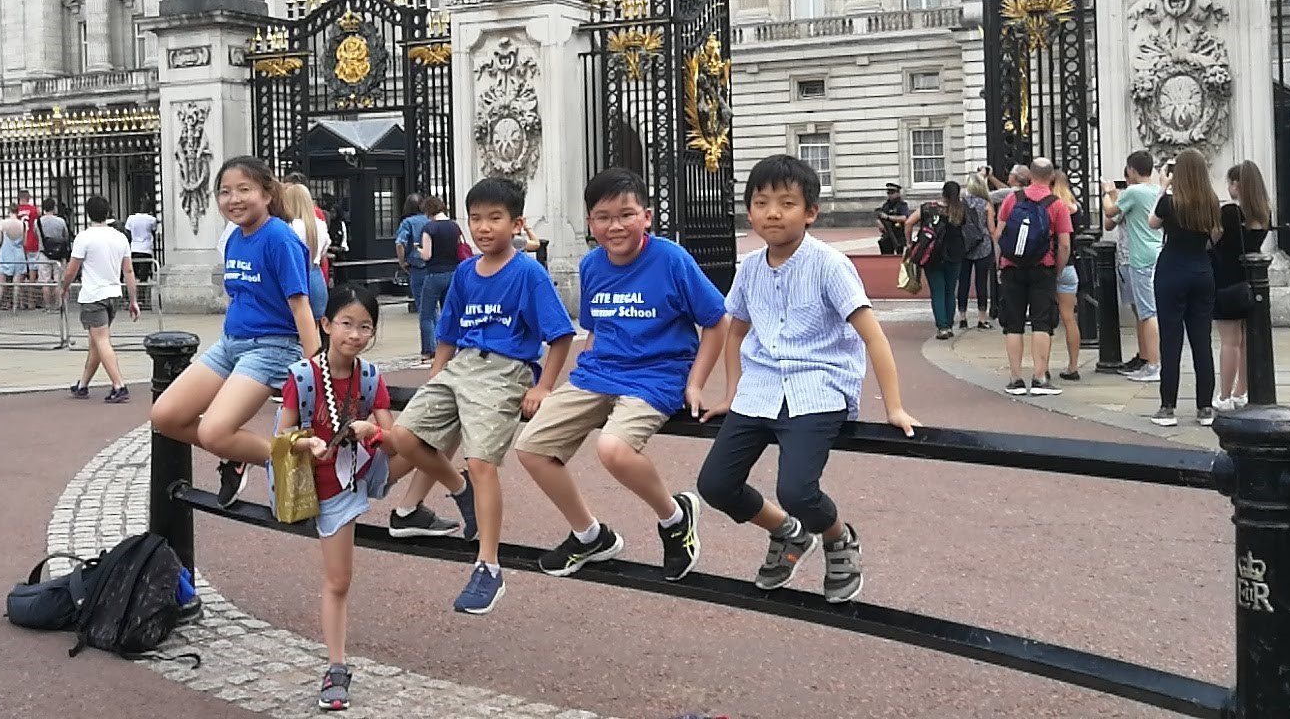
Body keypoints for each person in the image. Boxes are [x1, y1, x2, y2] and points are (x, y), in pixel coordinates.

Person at [695, 155, 919, 600]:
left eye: (787, 203)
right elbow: (736, 329)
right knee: (715, 485)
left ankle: (837, 537)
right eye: (761, 203)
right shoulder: (750, 267)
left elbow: (873, 337)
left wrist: (893, 406)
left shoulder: (830, 265)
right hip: (760, 390)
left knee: (797, 489)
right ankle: (789, 534)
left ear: (810, 212)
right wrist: (732, 391)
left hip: (817, 387)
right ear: (750, 210)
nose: (772, 213)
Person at [515, 168, 726, 582]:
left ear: (646, 216)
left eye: (626, 214)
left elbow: (716, 321)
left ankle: (673, 516)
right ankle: (589, 534)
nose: (615, 226)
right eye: (603, 216)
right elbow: (596, 328)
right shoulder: (592, 264)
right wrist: (576, 380)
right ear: (590, 223)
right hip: (599, 373)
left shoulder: (671, 259)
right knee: (532, 446)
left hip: (656, 376)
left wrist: (695, 383)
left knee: (613, 449)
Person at [385, 176, 576, 616]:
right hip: (460, 367)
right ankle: (459, 490)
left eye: (495, 218)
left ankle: (489, 564)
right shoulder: (466, 272)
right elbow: (448, 334)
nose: (484, 227)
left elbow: (560, 335)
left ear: (515, 224)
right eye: (476, 218)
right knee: (404, 437)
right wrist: (435, 380)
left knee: (481, 461)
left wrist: (544, 385)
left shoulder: (528, 272)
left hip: (504, 370)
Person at [150, 157, 321, 510]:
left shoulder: (279, 238)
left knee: (214, 432)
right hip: (231, 344)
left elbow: (301, 307)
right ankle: (247, 455)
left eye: (244, 190)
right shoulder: (235, 239)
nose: (234, 199)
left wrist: (316, 370)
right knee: (165, 416)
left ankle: (286, 461)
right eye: (225, 192)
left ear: (267, 193)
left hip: (273, 347)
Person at [275, 285, 395, 712]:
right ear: (325, 325)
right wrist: (306, 444)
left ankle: (412, 508)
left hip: (360, 476)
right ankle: (336, 666)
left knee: (430, 440)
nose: (355, 334)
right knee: (339, 579)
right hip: (325, 487)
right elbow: (282, 438)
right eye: (346, 323)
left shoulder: (369, 377)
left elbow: (394, 438)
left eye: (365, 326)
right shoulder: (304, 376)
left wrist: (372, 432)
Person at [1148, 150, 1221, 427]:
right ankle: (1205, 407)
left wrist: (1162, 188)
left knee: (1171, 340)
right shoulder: (1211, 202)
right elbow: (1214, 236)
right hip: (1201, 271)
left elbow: (1152, 224)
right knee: (1202, 341)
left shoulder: (1169, 202)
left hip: (1171, 271)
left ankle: (1168, 407)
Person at [994, 157, 1073, 396]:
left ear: (1030, 176)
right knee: (1041, 322)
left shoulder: (1012, 199)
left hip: (1012, 267)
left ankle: (1015, 379)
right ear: (1051, 177)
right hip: (1043, 268)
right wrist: (1056, 270)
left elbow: (999, 234)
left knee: (1013, 323)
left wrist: (1000, 265)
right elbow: (1065, 245)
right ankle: (1039, 378)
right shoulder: (1057, 204)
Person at [59, 194, 141, 403]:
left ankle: (119, 385)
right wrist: (133, 300)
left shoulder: (84, 237)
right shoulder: (120, 237)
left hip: (93, 295)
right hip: (114, 294)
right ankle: (83, 385)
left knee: (102, 341)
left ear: (88, 214)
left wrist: (64, 287)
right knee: (96, 342)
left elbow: (71, 269)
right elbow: (129, 271)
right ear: (107, 213)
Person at [1213, 161, 1273, 410]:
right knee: (1246, 342)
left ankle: (1224, 396)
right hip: (1251, 282)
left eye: (1229, 183)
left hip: (1226, 280)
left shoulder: (1229, 213)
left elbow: (1213, 239)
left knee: (1229, 341)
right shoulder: (1263, 213)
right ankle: (1241, 391)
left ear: (1237, 185)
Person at [1102, 151, 1166, 384]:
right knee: (1146, 310)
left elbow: (1110, 213)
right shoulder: (1157, 191)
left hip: (1139, 256)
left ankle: (1154, 364)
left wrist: (1108, 193)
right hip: (1157, 252)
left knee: (1148, 312)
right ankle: (1148, 358)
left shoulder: (1134, 192)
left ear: (1131, 170)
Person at [909, 181, 967, 340]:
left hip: (932, 254)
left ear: (943, 192)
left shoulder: (928, 208)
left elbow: (908, 222)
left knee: (937, 291)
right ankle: (949, 324)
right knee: (950, 291)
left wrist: (909, 243)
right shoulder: (960, 210)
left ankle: (942, 327)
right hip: (954, 254)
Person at [415, 195, 463, 364]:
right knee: (447, 312)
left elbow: (427, 255)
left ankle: (429, 350)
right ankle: (450, 346)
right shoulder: (454, 226)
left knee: (426, 314)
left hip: (435, 273)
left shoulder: (430, 228)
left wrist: (418, 250)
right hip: (453, 272)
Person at [1049, 170, 1083, 380]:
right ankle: (1073, 366)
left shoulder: (1051, 207)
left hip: (1050, 265)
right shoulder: (1074, 207)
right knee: (1069, 318)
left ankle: (1042, 366)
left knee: (1044, 320)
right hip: (1069, 267)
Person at [281, 183, 331, 320]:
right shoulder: (319, 224)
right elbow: (323, 254)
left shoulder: (287, 227)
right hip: (315, 275)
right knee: (314, 322)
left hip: (294, 276)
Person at [957, 174, 997, 330]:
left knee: (963, 283)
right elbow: (992, 229)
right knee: (981, 283)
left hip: (965, 246)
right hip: (983, 246)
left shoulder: (961, 203)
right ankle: (981, 319)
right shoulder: (987, 205)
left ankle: (962, 317)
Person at [0, 208, 31, 313]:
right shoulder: (23, 225)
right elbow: (25, 242)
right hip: (19, 255)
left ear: (9, 212)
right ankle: (14, 308)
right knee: (16, 283)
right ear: (17, 212)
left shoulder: (2, 223)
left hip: (6, 254)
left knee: (0, 282)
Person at [394, 194, 429, 312]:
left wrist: (402, 262)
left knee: (423, 308)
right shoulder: (430, 220)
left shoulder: (407, 223)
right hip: (434, 265)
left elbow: (400, 243)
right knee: (434, 306)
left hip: (417, 265)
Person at [125, 202, 159, 293]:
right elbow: (154, 231)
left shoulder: (131, 218)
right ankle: (142, 297)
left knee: (134, 275)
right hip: (146, 249)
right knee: (144, 276)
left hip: (134, 248)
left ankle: (135, 296)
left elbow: (128, 233)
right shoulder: (152, 219)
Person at [874, 183, 911, 255]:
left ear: (898, 193)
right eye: (888, 193)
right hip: (888, 234)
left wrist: (888, 217)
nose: (890, 195)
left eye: (892, 193)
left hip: (899, 234)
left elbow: (904, 218)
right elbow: (880, 216)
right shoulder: (886, 205)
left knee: (899, 256)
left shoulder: (902, 205)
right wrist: (880, 223)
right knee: (886, 254)